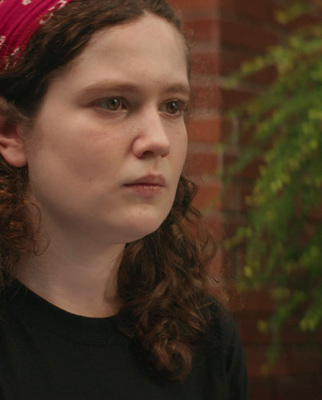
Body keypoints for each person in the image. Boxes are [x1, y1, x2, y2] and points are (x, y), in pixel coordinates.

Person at [0, 0, 248, 399]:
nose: (158, 140)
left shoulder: (203, 334)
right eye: (113, 103)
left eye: (172, 106)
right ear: (11, 131)